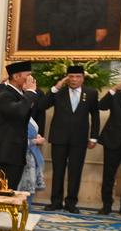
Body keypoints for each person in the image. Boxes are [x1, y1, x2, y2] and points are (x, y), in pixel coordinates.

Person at [42, 65, 100, 213]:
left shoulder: (91, 93)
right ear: (67, 78)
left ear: (83, 78)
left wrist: (93, 137)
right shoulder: (59, 92)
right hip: (59, 138)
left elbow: (95, 115)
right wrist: (56, 87)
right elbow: (42, 105)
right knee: (58, 171)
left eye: (78, 77)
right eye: (71, 76)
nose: (74, 80)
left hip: (79, 139)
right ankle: (55, 202)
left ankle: (71, 203)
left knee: (75, 171)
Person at [0, 61, 41, 189]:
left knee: (12, 191)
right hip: (6, 154)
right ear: (16, 76)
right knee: (3, 193)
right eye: (28, 75)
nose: (31, 79)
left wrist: (28, 93)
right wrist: (30, 92)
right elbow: (19, 111)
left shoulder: (19, 95)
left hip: (16, 154)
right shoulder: (4, 95)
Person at [97, 69, 121, 215]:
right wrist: (114, 89)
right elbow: (101, 106)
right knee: (108, 175)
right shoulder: (116, 94)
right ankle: (106, 205)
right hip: (112, 141)